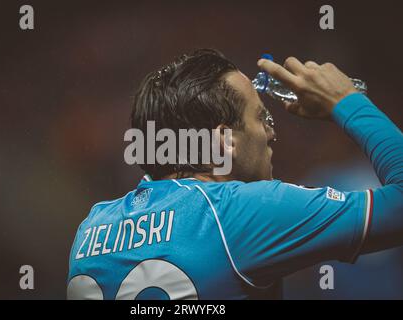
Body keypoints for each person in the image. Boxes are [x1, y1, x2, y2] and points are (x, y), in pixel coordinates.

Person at [67, 49, 403, 299]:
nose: (271, 134)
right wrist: (346, 102)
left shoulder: (90, 229)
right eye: (262, 119)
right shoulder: (238, 212)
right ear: (225, 141)